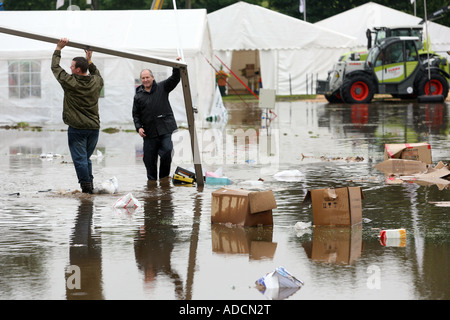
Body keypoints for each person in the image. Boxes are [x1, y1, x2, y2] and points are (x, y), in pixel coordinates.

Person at [51, 38, 104, 194]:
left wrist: (58, 48)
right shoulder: (96, 82)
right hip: (94, 128)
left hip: (77, 129)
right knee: (85, 159)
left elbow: (54, 67)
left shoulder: (70, 82)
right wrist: (90, 61)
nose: (70, 67)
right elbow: (97, 74)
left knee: (80, 160)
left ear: (78, 70)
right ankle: (90, 187)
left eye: (72, 66)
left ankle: (87, 190)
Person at [132, 58, 181, 183]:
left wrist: (176, 66)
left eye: (147, 77)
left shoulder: (162, 87)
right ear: (141, 80)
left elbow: (175, 79)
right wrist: (139, 127)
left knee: (167, 151)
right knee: (149, 159)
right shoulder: (138, 96)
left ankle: (164, 180)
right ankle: (152, 184)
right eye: (143, 78)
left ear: (152, 77)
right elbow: (136, 114)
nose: (146, 80)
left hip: (165, 128)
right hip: (149, 132)